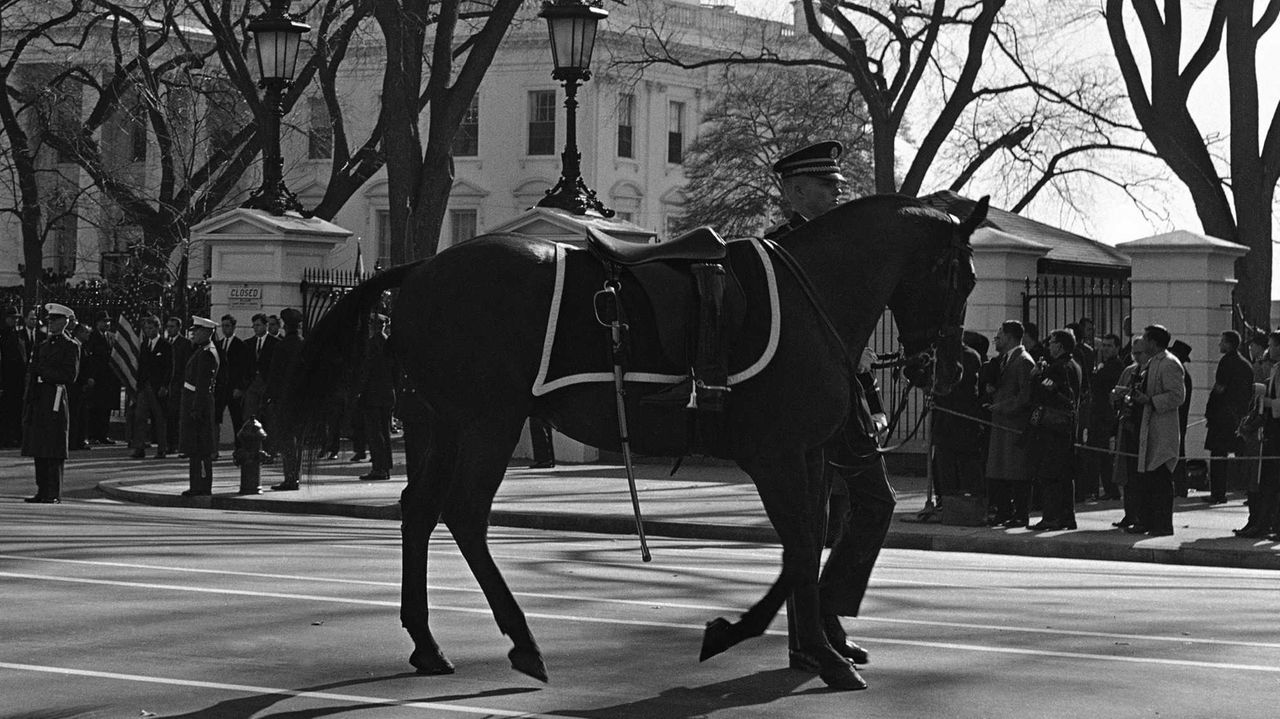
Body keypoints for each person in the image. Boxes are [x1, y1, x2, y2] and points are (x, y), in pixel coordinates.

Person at [1126, 324, 1185, 536]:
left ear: (1153, 342)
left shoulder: (1170, 364)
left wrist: (1150, 400)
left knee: (1160, 480)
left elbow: (1177, 395)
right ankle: (1148, 521)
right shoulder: (1153, 363)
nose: (1142, 341)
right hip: (1150, 429)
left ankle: (1162, 525)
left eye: (1145, 338)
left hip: (1163, 431)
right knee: (1149, 480)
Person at [21, 304, 80, 504]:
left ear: (64, 322)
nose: (51, 324)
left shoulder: (71, 346)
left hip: (55, 397)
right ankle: (42, 489)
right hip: (40, 399)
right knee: (40, 447)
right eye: (50, 321)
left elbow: (69, 375)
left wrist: (44, 373)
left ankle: (53, 491)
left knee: (53, 447)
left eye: (55, 320)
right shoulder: (43, 345)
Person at [1028, 329, 1083, 530]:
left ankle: (1051, 517)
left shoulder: (1057, 368)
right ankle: (1068, 517)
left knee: (1050, 474)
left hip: (1053, 426)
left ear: (1059, 345)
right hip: (1068, 426)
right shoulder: (1075, 365)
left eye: (1051, 342)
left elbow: (1041, 392)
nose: (1049, 345)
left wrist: (1036, 375)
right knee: (1065, 475)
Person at [985, 320, 1036, 527]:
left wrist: (1000, 407)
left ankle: (1019, 514)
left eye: (1000, 335)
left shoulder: (1023, 360)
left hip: (1014, 427)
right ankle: (1004, 512)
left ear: (1011, 337)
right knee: (1001, 472)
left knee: (1016, 473)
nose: (996, 339)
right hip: (1002, 426)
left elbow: (1025, 396)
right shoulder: (1005, 359)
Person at [931, 336, 985, 501]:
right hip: (952, 420)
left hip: (958, 419)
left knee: (958, 464)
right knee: (947, 464)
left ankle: (957, 501)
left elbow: (966, 389)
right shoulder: (966, 355)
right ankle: (948, 500)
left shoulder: (964, 357)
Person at [1203, 330, 1253, 504]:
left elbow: (1220, 388)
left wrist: (1210, 409)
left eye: (1222, 342)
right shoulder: (1246, 364)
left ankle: (1218, 493)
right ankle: (1249, 489)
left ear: (1229, 344)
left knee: (1218, 455)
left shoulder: (1226, 362)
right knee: (1243, 454)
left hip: (1222, 416)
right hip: (1239, 415)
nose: (1219, 345)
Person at [763, 140, 845, 240]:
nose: (838, 191)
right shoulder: (780, 241)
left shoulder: (844, 233)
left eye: (836, 184)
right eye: (827, 184)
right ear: (799, 191)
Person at [1241, 330, 1280, 539]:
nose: (1269, 349)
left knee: (1270, 481)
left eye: (1272, 345)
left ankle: (1267, 524)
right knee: (1266, 481)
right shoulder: (1274, 368)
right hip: (1270, 430)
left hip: (1275, 430)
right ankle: (1263, 523)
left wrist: (1267, 403)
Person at [1111, 337, 1150, 529]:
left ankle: (1141, 515)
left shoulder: (1151, 370)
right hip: (1126, 425)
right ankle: (1129, 513)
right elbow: (1117, 394)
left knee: (1140, 475)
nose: (1136, 357)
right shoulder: (1128, 371)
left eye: (1139, 353)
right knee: (1126, 474)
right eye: (1134, 353)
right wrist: (1117, 396)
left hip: (1142, 427)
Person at [181, 317, 220, 497]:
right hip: (196, 403)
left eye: (197, 330)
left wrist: (196, 408)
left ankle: (202, 485)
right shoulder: (202, 350)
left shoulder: (207, 353)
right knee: (195, 447)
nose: (193, 333)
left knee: (201, 448)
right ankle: (196, 483)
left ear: (207, 332)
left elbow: (203, 385)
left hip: (200, 406)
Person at [267, 308, 305, 491]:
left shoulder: (282, 346)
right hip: (299, 399)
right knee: (296, 440)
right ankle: (294, 476)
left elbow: (274, 374)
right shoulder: (303, 344)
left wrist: (269, 397)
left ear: (284, 324)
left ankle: (290, 477)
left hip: (284, 399)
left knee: (287, 440)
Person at [1085, 333, 1126, 500]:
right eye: (1104, 345)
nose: (1106, 349)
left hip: (1106, 416)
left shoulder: (1116, 366)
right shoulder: (1104, 365)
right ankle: (1106, 488)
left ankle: (1111, 489)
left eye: (1110, 346)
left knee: (1105, 455)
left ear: (1117, 348)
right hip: (1098, 414)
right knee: (1099, 455)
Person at [356, 313, 396, 481]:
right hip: (387, 394)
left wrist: (359, 391)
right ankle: (385, 466)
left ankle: (379, 467)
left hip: (373, 395)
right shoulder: (388, 342)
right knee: (385, 432)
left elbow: (367, 371)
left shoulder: (372, 344)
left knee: (375, 433)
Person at [129, 316, 171, 459]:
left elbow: (169, 368)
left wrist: (165, 386)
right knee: (140, 417)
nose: (148, 331)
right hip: (144, 386)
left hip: (157, 387)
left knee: (159, 418)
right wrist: (138, 386)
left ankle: (162, 448)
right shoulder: (144, 345)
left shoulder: (165, 345)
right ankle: (139, 447)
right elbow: (141, 367)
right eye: (146, 328)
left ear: (157, 328)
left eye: (151, 328)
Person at [240, 313, 279, 454]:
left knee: (269, 418)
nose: (255, 328)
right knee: (250, 416)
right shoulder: (249, 343)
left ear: (265, 325)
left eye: (258, 325)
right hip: (252, 384)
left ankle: (270, 450)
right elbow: (244, 366)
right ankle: (252, 449)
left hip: (267, 385)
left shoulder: (275, 343)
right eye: (254, 325)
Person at [214, 314, 250, 454]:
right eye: (223, 326)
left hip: (234, 388)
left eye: (227, 326)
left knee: (237, 419)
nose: (224, 329)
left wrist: (240, 387)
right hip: (221, 388)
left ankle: (239, 448)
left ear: (234, 327)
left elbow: (244, 368)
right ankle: (214, 449)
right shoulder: (218, 345)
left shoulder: (241, 345)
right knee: (216, 417)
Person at [84, 310, 118, 445]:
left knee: (106, 407)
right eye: (104, 321)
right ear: (97, 323)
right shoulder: (92, 337)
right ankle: (93, 434)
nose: (107, 324)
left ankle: (103, 434)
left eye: (108, 321)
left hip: (108, 377)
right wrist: (90, 376)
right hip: (97, 377)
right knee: (95, 407)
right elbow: (90, 358)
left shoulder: (111, 336)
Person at [162, 316, 193, 456]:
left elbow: (186, 365)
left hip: (179, 384)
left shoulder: (186, 344)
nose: (170, 329)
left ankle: (177, 444)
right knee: (168, 416)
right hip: (166, 384)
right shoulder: (164, 342)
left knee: (178, 416)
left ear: (179, 328)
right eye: (168, 326)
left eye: (172, 326)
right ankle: (168, 443)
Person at [0, 305, 26, 448]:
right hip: (7, 378)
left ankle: (15, 436)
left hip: (18, 379)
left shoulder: (18, 334)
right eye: (12, 318)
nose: (15, 321)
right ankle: (6, 438)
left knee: (16, 409)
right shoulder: (3, 335)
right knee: (6, 410)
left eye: (16, 318)